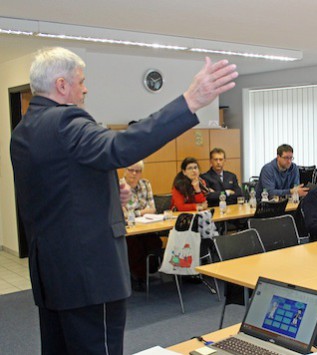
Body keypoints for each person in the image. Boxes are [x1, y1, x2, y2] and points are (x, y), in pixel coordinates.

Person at [10, 47, 237, 354]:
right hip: (90, 276)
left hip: (53, 274)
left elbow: (53, 192)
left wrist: (102, 192)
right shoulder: (66, 122)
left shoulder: (24, 130)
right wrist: (190, 102)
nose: (86, 88)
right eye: (81, 81)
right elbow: (121, 147)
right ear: (62, 85)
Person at [119, 161, 161, 291]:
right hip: (128, 230)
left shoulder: (145, 184)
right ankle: (138, 276)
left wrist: (135, 213)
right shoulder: (119, 186)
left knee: (156, 243)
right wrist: (142, 212)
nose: (134, 174)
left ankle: (146, 272)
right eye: (131, 170)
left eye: (137, 171)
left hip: (146, 226)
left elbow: (152, 209)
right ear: (125, 170)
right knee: (134, 246)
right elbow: (123, 213)